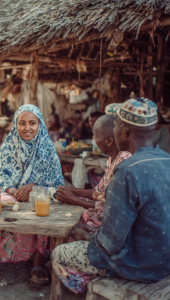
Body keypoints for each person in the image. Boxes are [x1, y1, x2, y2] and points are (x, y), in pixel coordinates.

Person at [52, 98, 170, 292]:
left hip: (141, 266)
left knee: (60, 254)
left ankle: (99, 288)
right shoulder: (167, 160)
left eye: (115, 125)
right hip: (166, 261)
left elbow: (110, 243)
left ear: (124, 131)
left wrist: (88, 237)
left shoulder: (126, 170)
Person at [0, 104, 64, 285]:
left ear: (40, 124)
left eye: (32, 123)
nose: (27, 128)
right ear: (15, 124)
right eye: (22, 123)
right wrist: (14, 191)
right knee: (3, 201)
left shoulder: (48, 148)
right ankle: (11, 254)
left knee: (44, 204)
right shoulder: (8, 146)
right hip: (14, 194)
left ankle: (38, 258)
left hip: (39, 194)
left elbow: (56, 183)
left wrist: (34, 187)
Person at [54, 115, 131, 293]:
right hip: (106, 217)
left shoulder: (125, 162)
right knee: (71, 212)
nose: (94, 142)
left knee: (73, 226)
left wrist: (74, 199)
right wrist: (74, 191)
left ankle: (92, 276)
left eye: (96, 137)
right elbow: (99, 192)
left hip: (111, 224)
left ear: (109, 140)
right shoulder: (113, 158)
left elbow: (110, 202)